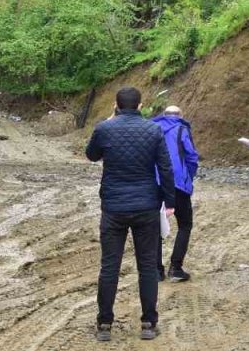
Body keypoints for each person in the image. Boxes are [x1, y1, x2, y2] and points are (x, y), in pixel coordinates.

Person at [86, 87, 177, 342]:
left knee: (109, 267)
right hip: (147, 205)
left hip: (113, 207)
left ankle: (104, 324)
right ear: (140, 105)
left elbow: (91, 155)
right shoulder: (153, 130)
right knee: (147, 266)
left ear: (116, 105)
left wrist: (107, 121)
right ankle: (148, 323)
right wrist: (169, 202)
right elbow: (166, 168)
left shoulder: (105, 129)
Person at [153, 106, 199, 282]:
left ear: (164, 115)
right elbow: (191, 157)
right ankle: (176, 267)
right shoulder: (182, 129)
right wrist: (189, 176)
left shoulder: (153, 128)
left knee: (155, 226)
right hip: (178, 183)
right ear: (180, 115)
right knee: (185, 225)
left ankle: (157, 271)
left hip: (155, 183)